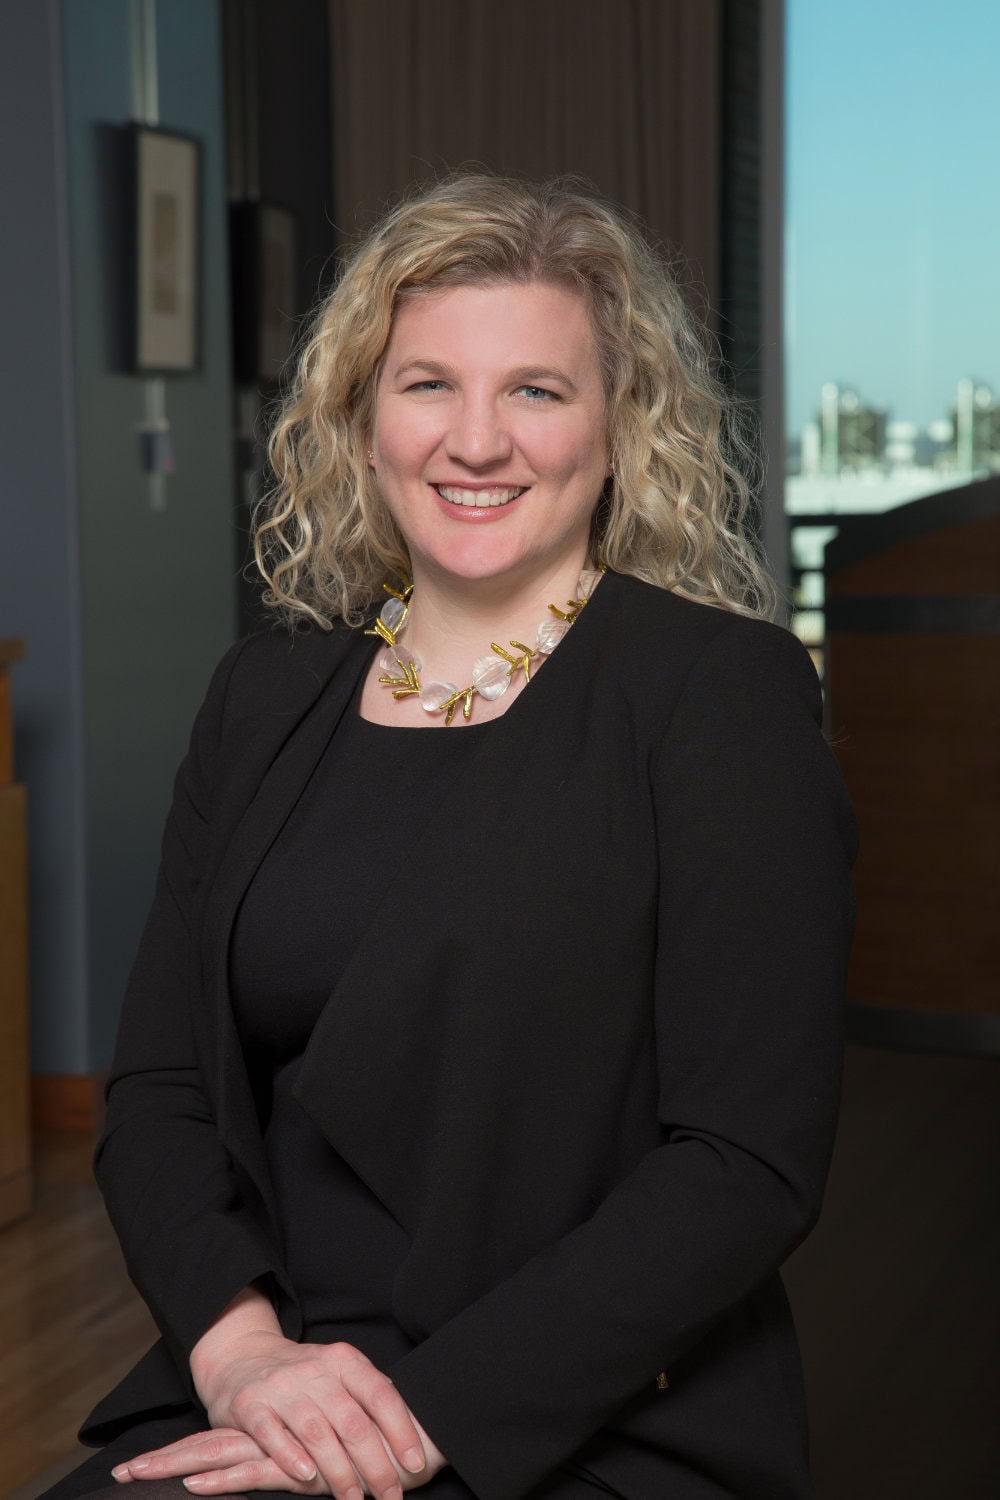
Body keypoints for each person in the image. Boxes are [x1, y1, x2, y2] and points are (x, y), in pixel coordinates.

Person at [44, 175, 856, 1500]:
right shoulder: (261, 700)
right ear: (364, 421)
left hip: (579, 1407)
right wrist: (245, 1357)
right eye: (428, 385)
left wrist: (418, 1422)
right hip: (289, 1380)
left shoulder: (720, 695)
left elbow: (744, 1160)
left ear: (617, 429)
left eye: (536, 390)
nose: (476, 441)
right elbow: (161, 1095)